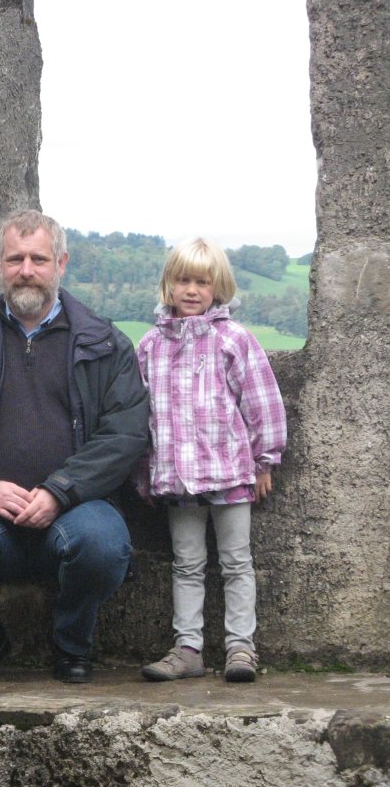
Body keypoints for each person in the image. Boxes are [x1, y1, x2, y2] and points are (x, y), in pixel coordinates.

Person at [0, 209, 149, 684]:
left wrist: (60, 490)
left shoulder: (105, 343)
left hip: (76, 511)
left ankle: (71, 647)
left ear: (60, 263)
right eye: (15, 259)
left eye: (38, 259)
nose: (26, 270)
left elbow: (126, 432)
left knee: (105, 544)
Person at [135, 237, 286, 683]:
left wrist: (265, 460)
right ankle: (188, 649)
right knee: (187, 564)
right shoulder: (149, 346)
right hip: (177, 479)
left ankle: (241, 648)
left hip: (230, 473)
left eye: (202, 281)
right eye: (183, 280)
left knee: (237, 561)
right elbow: (140, 416)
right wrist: (144, 473)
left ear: (218, 286)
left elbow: (261, 399)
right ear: (168, 285)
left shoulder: (233, 339)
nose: (192, 290)